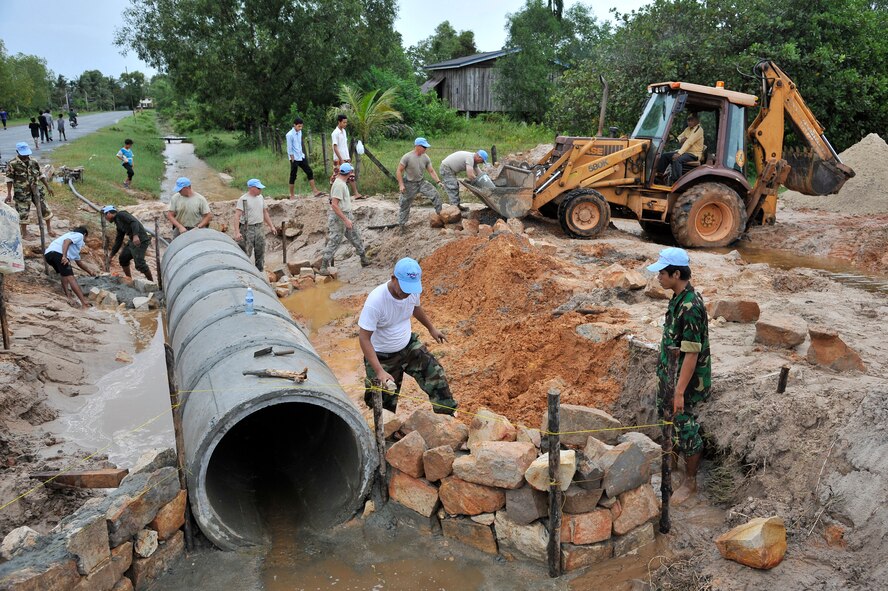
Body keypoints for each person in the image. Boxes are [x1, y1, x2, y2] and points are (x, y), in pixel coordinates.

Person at [647, 247, 711, 505]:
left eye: (662, 273)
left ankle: (691, 481)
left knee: (685, 429)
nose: (658, 277)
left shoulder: (690, 306)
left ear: (675, 273)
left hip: (686, 383)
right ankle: (670, 470)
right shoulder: (676, 298)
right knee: (668, 423)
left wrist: (680, 392)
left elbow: (692, 354)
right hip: (670, 377)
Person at [358, 257, 457, 416]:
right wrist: (379, 371)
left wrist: (432, 328)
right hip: (382, 356)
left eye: (411, 288)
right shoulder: (376, 301)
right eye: (404, 288)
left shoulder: (411, 292)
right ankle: (386, 436)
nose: (407, 293)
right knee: (383, 403)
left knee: (435, 374)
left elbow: (415, 308)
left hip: (408, 346)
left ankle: (447, 420)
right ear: (393, 279)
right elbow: (363, 338)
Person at [320, 163, 370, 275]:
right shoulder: (339, 185)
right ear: (349, 173)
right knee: (335, 240)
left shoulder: (342, 183)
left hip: (346, 214)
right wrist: (345, 220)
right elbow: (334, 205)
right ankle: (323, 266)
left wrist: (347, 218)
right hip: (339, 217)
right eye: (352, 173)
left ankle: (363, 259)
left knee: (356, 236)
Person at [4, 142, 55, 238]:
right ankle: (24, 233)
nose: (26, 156)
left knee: (45, 209)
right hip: (22, 193)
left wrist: (48, 187)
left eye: (27, 154)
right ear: (17, 152)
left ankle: (49, 229)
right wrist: (9, 194)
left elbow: (41, 175)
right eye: (23, 154)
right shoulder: (12, 164)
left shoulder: (34, 161)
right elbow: (9, 179)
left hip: (36, 191)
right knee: (23, 212)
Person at [396, 138, 444, 229]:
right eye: (424, 147)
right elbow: (399, 171)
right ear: (417, 146)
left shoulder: (425, 157)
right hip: (409, 184)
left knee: (435, 194)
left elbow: (431, 171)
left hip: (421, 182)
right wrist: (401, 185)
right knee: (405, 204)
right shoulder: (407, 157)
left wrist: (438, 182)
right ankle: (402, 225)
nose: (425, 149)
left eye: (426, 147)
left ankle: (441, 216)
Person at [233, 178, 278, 271]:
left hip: (259, 227)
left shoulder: (260, 197)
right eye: (258, 188)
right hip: (247, 229)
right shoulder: (243, 199)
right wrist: (237, 232)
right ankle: (244, 271)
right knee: (246, 252)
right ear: (252, 188)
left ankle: (260, 271)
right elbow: (237, 216)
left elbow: (264, 212)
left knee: (260, 250)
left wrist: (271, 226)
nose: (260, 190)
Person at [44, 226, 95, 307]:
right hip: (59, 254)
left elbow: (79, 263)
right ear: (85, 234)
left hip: (48, 255)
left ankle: (68, 296)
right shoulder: (79, 235)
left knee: (64, 274)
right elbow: (66, 241)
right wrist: (64, 256)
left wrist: (90, 272)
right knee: (71, 278)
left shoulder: (73, 244)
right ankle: (84, 303)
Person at [104, 205, 154, 281]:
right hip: (133, 240)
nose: (106, 218)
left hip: (141, 239)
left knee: (140, 264)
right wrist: (111, 256)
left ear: (108, 213)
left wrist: (135, 235)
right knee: (123, 258)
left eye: (105, 216)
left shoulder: (121, 214)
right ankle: (129, 279)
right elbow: (119, 240)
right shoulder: (118, 223)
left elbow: (134, 222)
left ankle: (151, 283)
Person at [657, 114, 704, 182]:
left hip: (693, 154)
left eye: (691, 121)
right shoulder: (687, 129)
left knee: (677, 159)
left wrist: (679, 153)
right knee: (665, 156)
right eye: (688, 121)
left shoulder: (698, 130)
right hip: (685, 152)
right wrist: (678, 139)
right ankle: (659, 175)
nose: (689, 122)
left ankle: (676, 181)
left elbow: (689, 142)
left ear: (697, 121)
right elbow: (679, 137)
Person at [286, 118, 323, 198]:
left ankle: (315, 191)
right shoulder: (289, 135)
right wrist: (292, 159)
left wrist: (302, 155)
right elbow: (289, 148)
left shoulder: (300, 132)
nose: (300, 128)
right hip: (294, 158)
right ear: (294, 125)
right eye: (299, 126)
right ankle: (292, 195)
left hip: (301, 156)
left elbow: (299, 144)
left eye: (301, 126)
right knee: (293, 175)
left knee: (309, 171)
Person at [331, 114, 362, 198]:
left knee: (351, 175)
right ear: (339, 122)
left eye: (346, 122)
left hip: (346, 158)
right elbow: (335, 147)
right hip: (339, 159)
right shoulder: (335, 133)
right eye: (344, 122)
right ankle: (332, 195)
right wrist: (341, 159)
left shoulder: (344, 132)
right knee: (336, 176)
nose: (345, 124)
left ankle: (356, 193)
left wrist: (347, 158)